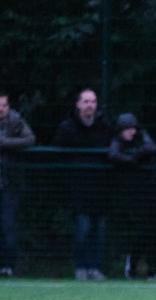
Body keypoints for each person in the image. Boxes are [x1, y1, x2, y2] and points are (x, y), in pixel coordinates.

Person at [53, 88, 112, 280]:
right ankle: (81, 267)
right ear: (78, 104)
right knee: (82, 230)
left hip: (101, 189)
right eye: (86, 101)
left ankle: (95, 267)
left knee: (98, 231)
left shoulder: (104, 127)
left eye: (93, 102)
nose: (90, 105)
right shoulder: (67, 128)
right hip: (78, 188)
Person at [0, 91, 35, 277]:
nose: (1, 109)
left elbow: (29, 139)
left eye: (4, 105)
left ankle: (9, 265)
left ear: (9, 107)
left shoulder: (16, 121)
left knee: (8, 224)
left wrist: (3, 143)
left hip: (10, 185)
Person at [109, 113, 156, 279]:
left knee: (153, 230)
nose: (131, 132)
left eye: (133, 128)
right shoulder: (117, 141)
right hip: (130, 194)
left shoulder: (141, 137)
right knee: (140, 231)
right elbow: (114, 155)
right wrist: (133, 159)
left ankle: (153, 269)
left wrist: (136, 154)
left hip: (149, 192)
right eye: (127, 129)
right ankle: (132, 265)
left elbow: (152, 148)